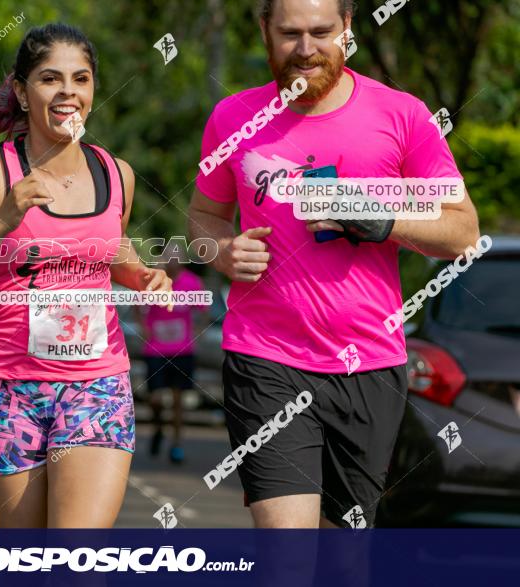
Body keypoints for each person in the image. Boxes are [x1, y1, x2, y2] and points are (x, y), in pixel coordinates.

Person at [187, 0, 480, 529]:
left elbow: (463, 230)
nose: (305, 50)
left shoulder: (402, 115)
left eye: (321, 32)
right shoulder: (232, 117)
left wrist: (385, 220)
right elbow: (204, 218)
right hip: (265, 357)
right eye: (290, 34)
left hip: (368, 363)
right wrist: (224, 251)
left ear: (347, 30)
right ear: (265, 32)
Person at [0, 23, 171, 527]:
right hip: (8, 385)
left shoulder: (115, 173)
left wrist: (141, 275)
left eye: (81, 79)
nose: (68, 92)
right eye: (50, 79)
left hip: (96, 382)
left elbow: (103, 248)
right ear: (21, 90)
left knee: (78, 561)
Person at [136, 254, 206, 464]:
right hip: (155, 350)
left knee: (178, 400)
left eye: (177, 257)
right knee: (156, 398)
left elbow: (203, 309)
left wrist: (198, 330)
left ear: (183, 261)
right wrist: (143, 327)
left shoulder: (192, 282)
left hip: (182, 350)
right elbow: (137, 303)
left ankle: (176, 444)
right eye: (169, 258)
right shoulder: (156, 278)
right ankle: (158, 427)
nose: (173, 262)